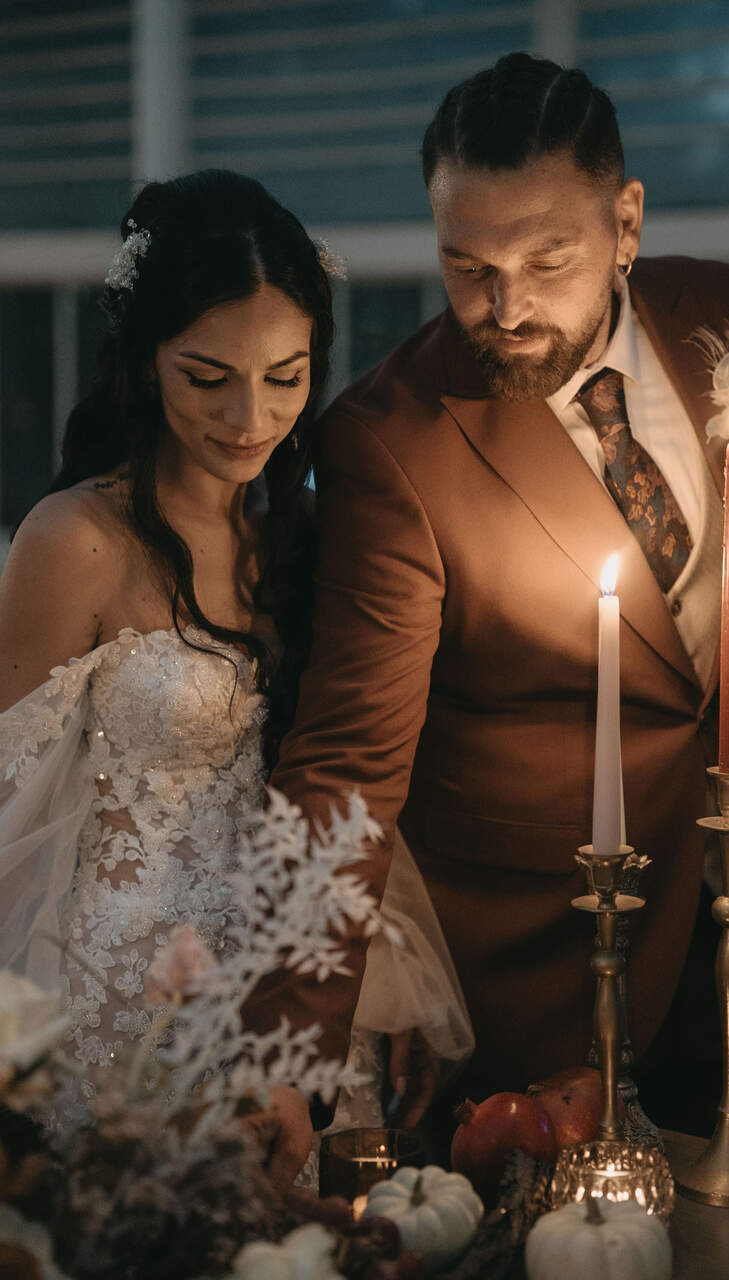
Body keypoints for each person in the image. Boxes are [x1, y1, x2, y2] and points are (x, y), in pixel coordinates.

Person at [253, 54, 729, 1158]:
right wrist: (287, 1049)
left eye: (546, 258)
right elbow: (346, 760)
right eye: (466, 265)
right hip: (532, 971)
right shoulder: (389, 441)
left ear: (625, 222)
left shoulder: (714, 302)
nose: (506, 306)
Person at [0, 169, 470, 1178]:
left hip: (281, 995)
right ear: (141, 360)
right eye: (208, 378)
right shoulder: (74, 538)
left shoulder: (303, 540)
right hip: (119, 1000)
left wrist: (376, 969)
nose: (251, 417)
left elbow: (341, 782)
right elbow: (8, 812)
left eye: (287, 376)